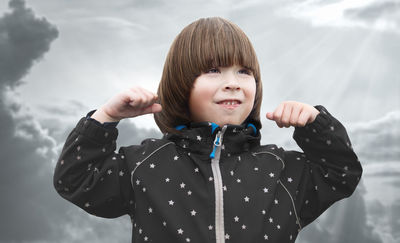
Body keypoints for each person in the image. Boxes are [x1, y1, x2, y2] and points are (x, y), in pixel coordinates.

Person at [53, 17, 363, 243]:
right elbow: (76, 180)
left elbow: (341, 173)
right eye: (213, 70)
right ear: (181, 85)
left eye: (244, 71)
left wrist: (315, 123)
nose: (232, 81)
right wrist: (106, 116)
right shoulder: (145, 165)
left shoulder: (281, 170)